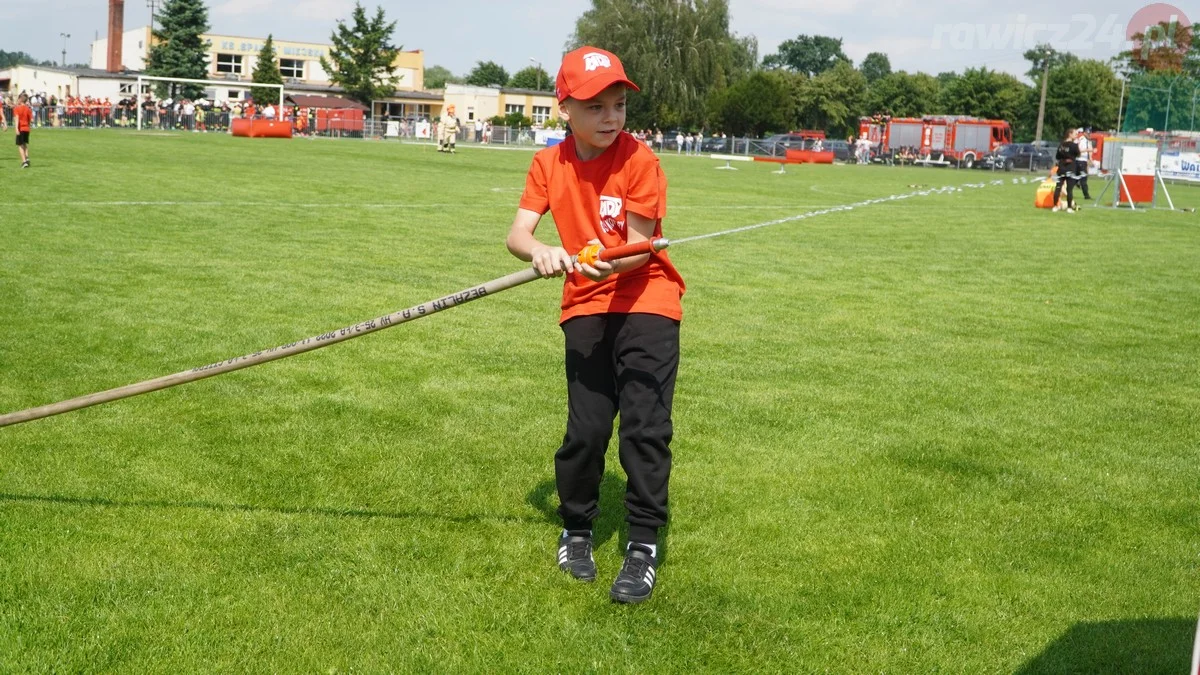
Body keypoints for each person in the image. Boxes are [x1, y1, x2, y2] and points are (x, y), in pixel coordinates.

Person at [505, 46, 685, 605]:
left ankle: (642, 544)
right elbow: (517, 235)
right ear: (564, 108)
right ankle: (577, 530)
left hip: (646, 299)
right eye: (595, 107)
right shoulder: (546, 164)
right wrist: (541, 252)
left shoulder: (641, 161)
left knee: (644, 427)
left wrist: (594, 256)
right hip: (585, 304)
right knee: (586, 430)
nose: (611, 117)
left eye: (618, 105)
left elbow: (635, 252)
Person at [1052, 128, 1080, 213]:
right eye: (1075, 133)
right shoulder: (1074, 145)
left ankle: (1055, 206)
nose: (1076, 135)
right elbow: (1078, 154)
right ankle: (1069, 208)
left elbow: (1057, 156)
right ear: (1070, 134)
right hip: (1070, 168)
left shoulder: (1061, 145)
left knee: (1058, 187)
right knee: (1069, 189)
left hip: (1061, 168)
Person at [12, 93, 32, 168]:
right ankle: (27, 158)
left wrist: (16, 128)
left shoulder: (17, 108)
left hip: (21, 128)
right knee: (24, 144)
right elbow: (30, 120)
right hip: (27, 128)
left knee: (20, 145)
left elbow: (17, 118)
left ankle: (24, 162)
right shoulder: (28, 109)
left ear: (20, 100)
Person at [1074, 129, 1091, 200]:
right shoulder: (1083, 140)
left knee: (1074, 178)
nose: (1089, 134)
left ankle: (1065, 190)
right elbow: (1079, 150)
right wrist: (1088, 150)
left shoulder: (1080, 139)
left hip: (1079, 161)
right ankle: (1086, 195)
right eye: (1088, 133)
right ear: (1084, 133)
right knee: (1083, 179)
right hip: (1081, 161)